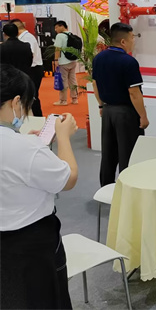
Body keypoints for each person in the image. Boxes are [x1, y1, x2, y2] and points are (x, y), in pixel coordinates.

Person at [0, 65, 79, 309]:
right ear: (16, 102)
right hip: (31, 244)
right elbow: (69, 178)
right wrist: (63, 137)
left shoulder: (24, 145)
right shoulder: (24, 148)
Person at [92, 22, 149, 186]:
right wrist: (143, 116)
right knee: (128, 153)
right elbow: (134, 93)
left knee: (108, 154)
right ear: (123, 41)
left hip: (108, 111)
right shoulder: (129, 62)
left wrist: (101, 105)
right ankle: (128, 188)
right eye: (132, 37)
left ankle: (106, 189)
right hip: (126, 113)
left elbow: (95, 84)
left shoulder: (98, 58)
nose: (134, 41)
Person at [12, 19, 44, 116]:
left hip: (33, 69)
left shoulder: (27, 38)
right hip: (31, 68)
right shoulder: (25, 37)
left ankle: (37, 117)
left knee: (32, 95)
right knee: (30, 94)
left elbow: (30, 54)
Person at [53, 21, 78, 106]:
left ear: (62, 26)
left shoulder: (60, 36)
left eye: (56, 27)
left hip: (63, 62)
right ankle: (74, 99)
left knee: (63, 81)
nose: (55, 29)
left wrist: (56, 60)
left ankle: (63, 100)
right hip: (73, 61)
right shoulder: (71, 34)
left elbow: (57, 49)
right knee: (73, 80)